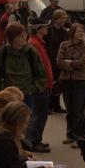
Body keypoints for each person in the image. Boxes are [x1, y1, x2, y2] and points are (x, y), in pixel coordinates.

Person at [0, 22, 47, 126]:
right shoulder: (2, 53)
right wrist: (2, 89)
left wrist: (33, 89)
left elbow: (41, 74)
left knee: (26, 126)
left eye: (24, 34)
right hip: (8, 98)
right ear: (12, 38)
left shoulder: (31, 52)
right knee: (7, 125)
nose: (24, 38)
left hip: (27, 97)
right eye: (20, 36)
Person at [57, 23, 85, 146]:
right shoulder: (64, 45)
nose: (81, 34)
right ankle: (70, 134)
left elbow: (83, 62)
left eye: (82, 31)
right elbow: (59, 61)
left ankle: (78, 137)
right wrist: (70, 65)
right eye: (79, 32)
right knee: (70, 110)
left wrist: (69, 63)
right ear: (72, 33)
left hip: (80, 80)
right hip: (66, 80)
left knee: (78, 110)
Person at [26, 18, 54, 152]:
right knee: (38, 115)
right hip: (40, 86)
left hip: (43, 84)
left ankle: (36, 140)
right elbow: (37, 67)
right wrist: (41, 83)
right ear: (38, 29)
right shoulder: (34, 44)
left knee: (40, 114)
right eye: (45, 26)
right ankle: (33, 141)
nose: (47, 28)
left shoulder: (38, 43)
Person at [45, 9, 70, 112]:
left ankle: (56, 105)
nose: (63, 20)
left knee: (59, 84)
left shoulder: (65, 32)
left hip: (60, 61)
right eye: (61, 18)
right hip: (51, 61)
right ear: (55, 19)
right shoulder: (49, 31)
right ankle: (48, 105)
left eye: (64, 18)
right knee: (50, 83)